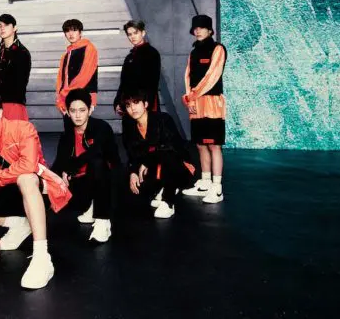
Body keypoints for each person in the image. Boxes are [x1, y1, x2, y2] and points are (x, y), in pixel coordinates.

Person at [0, 90, 71, 290]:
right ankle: (19, 223)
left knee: (25, 178)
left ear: (0, 113)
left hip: (39, 192)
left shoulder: (24, 128)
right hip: (6, 193)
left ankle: (42, 257)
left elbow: (28, 165)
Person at [52, 89, 120, 242]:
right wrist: (52, 178)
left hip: (109, 183)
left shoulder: (101, 128)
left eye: (82, 110)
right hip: (83, 185)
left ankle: (103, 221)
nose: (77, 115)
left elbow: (96, 152)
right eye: (73, 111)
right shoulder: (67, 135)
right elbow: (59, 163)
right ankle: (92, 205)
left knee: (97, 162)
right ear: (67, 112)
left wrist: (70, 169)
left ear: (90, 110)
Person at [123, 89, 195, 218]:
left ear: (145, 104)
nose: (133, 108)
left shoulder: (163, 119)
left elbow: (172, 148)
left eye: (136, 102)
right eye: (128, 105)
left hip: (180, 167)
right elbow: (133, 154)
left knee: (167, 155)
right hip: (156, 168)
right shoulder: (131, 128)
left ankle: (168, 202)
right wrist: (132, 172)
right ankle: (163, 188)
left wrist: (147, 162)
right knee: (138, 190)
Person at [181, 14, 227, 204]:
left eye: (201, 27)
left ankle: (217, 187)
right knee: (200, 144)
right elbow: (188, 77)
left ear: (210, 30)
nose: (198, 31)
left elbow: (212, 77)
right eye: (195, 28)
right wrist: (189, 99)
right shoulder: (193, 53)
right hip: (196, 104)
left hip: (212, 103)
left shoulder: (218, 49)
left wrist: (193, 95)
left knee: (214, 144)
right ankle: (205, 183)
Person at [0, 14, 32, 121]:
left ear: (15, 28)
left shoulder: (22, 52)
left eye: (6, 25)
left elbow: (19, 84)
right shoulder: (0, 51)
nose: (2, 28)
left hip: (13, 105)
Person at [113, 20, 161, 114]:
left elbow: (152, 83)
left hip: (145, 104)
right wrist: (118, 102)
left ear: (143, 33)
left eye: (135, 33)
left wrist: (146, 103)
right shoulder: (129, 57)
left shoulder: (152, 53)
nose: (133, 37)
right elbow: (123, 83)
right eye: (129, 34)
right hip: (129, 104)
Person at [55, 19, 98, 116]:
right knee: (68, 126)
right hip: (66, 100)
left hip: (83, 97)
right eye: (67, 31)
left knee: (83, 125)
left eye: (74, 30)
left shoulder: (89, 48)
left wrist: (65, 93)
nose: (70, 34)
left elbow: (84, 76)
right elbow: (60, 80)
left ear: (80, 32)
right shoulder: (66, 55)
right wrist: (59, 100)